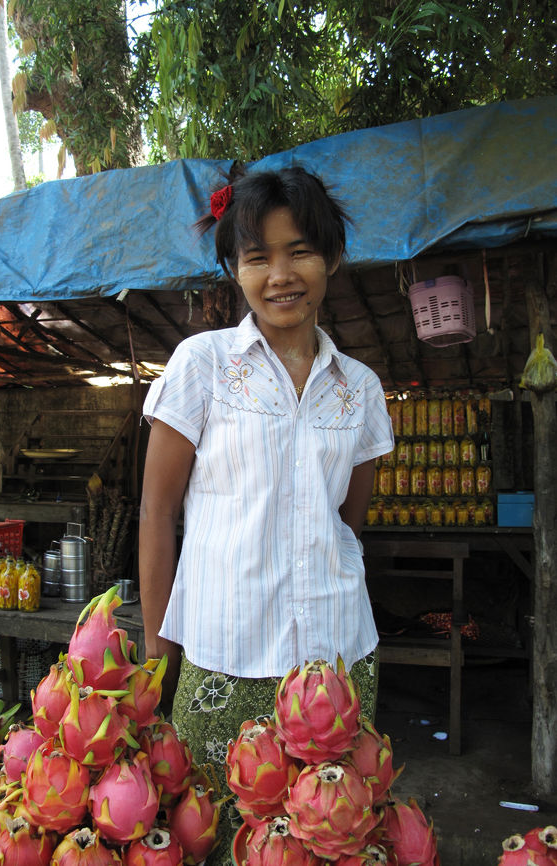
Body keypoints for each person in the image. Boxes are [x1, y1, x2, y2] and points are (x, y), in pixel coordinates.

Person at [139, 163, 394, 864]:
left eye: (299, 251)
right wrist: (158, 648)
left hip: (337, 661)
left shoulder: (361, 389)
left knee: (325, 845)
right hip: (225, 655)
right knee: (217, 840)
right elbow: (157, 511)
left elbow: (348, 520)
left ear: (331, 259)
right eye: (258, 257)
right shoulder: (202, 366)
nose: (281, 274)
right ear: (234, 269)